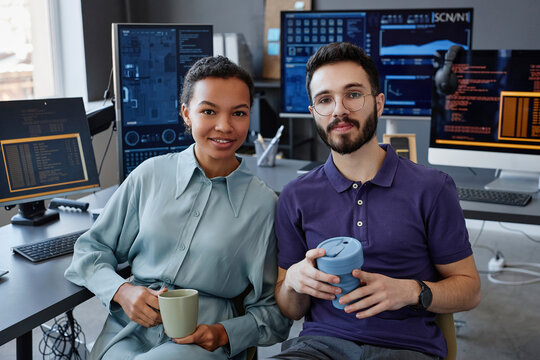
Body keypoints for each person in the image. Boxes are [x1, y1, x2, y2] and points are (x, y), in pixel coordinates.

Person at [65, 56, 291, 360]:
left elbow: (274, 315)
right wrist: (122, 291)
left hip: (199, 344)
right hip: (126, 332)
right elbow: (89, 250)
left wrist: (223, 333)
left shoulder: (264, 206)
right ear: (186, 114)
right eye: (208, 111)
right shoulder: (150, 175)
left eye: (238, 113)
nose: (224, 126)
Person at [272, 42, 481, 360]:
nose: (339, 109)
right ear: (314, 113)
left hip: (406, 349)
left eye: (353, 94)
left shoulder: (433, 188)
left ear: (379, 104)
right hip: (319, 347)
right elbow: (290, 309)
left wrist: (411, 290)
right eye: (325, 99)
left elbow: (469, 290)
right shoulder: (294, 196)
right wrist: (293, 283)